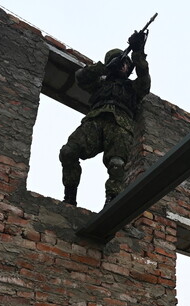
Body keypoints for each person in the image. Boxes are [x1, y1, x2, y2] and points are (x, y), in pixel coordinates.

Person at [59, 30, 151, 206]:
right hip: (95, 122)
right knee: (68, 152)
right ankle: (70, 196)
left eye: (126, 64)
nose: (124, 67)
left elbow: (145, 79)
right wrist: (105, 68)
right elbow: (80, 77)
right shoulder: (99, 84)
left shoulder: (133, 88)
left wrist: (138, 52)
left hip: (120, 126)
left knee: (117, 164)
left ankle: (112, 201)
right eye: (120, 64)